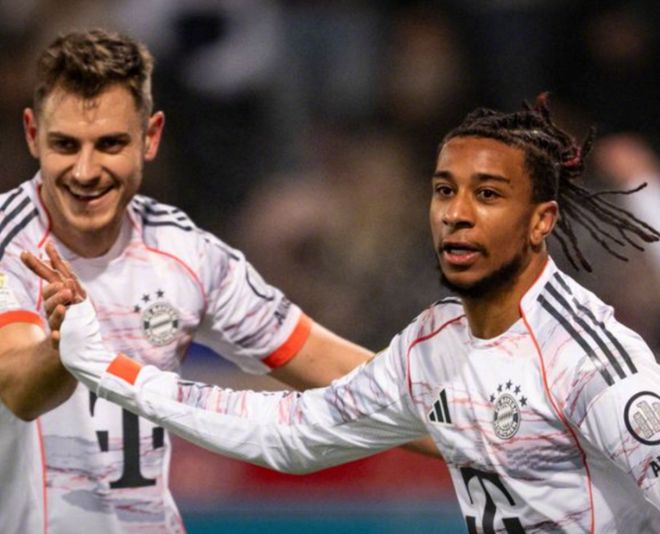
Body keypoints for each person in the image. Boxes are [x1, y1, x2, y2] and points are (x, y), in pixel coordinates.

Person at [27, 94, 660, 533]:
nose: (456, 214)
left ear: (541, 221)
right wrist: (102, 365)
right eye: (445, 190)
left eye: (488, 194)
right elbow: (288, 433)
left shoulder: (592, 364)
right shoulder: (433, 345)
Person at [0, 28, 438, 533]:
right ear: (32, 134)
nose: (85, 171)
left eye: (110, 144)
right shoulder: (10, 244)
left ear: (150, 137)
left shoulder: (187, 254)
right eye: (65, 145)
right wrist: (63, 345)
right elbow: (19, 388)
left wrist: (476, 435)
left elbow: (337, 370)